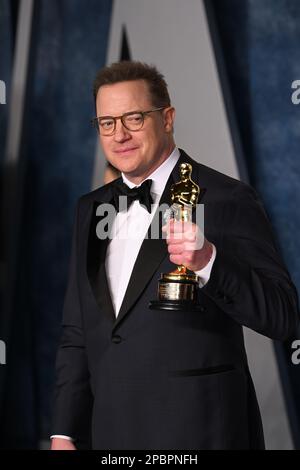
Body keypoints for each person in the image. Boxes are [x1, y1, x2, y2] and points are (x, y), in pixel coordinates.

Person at [51, 61, 299, 450]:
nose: (120, 135)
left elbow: (284, 316)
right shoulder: (92, 209)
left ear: (167, 118)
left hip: (200, 432)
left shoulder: (224, 198)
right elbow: (77, 332)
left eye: (134, 118)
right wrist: (64, 431)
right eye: (106, 122)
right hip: (112, 435)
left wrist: (209, 262)